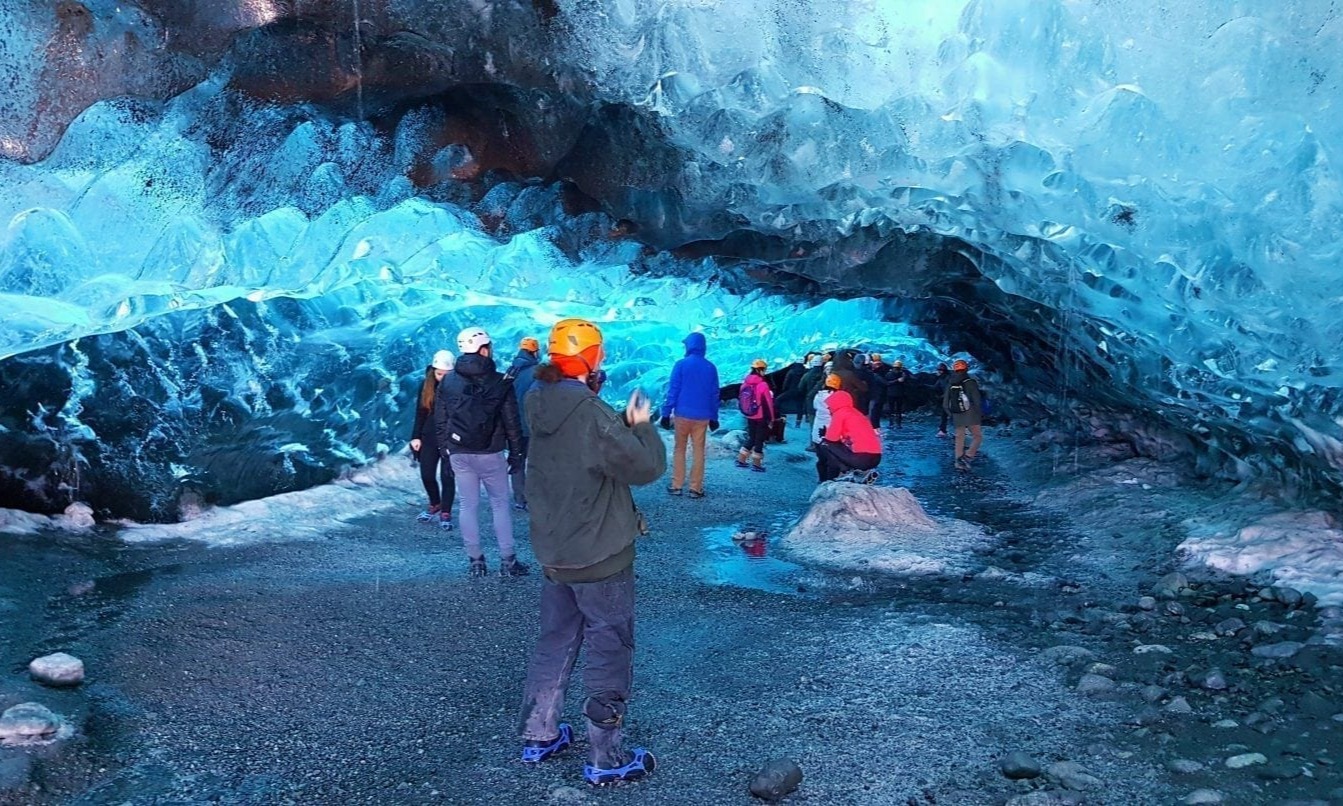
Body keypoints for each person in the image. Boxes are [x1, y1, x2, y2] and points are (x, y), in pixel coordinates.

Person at [517, 317, 666, 786]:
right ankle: (607, 756)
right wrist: (640, 425)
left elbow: (583, 444)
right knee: (609, 643)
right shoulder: (589, 414)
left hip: (554, 550)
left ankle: (538, 732)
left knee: (556, 638)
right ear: (591, 356)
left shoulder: (538, 401)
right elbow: (644, 467)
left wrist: (612, 421)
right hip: (600, 555)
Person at [435, 326, 529, 577]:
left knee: (467, 505)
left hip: (459, 451)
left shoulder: (448, 381)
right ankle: (508, 561)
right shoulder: (500, 381)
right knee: (499, 505)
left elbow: (441, 418)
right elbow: (511, 420)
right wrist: (517, 453)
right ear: (484, 349)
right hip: (491, 452)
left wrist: (445, 450)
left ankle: (475, 560)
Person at [658, 332, 720, 499]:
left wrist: (665, 413)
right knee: (699, 450)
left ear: (689, 346)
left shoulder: (681, 365)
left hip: (682, 415)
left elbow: (673, 391)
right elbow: (714, 395)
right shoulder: (710, 367)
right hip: (702, 417)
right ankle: (695, 488)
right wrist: (714, 417)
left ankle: (676, 485)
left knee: (680, 449)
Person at [410, 350, 457, 530]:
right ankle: (435, 503)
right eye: (439, 374)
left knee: (448, 476)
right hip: (429, 436)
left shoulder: (459, 386)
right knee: (427, 475)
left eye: (447, 375)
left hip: (450, 437)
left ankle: (446, 511)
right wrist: (415, 436)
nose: (442, 378)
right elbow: (420, 412)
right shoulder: (425, 385)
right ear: (433, 371)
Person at [816, 389, 882, 483]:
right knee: (833, 445)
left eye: (830, 405)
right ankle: (861, 473)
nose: (828, 408)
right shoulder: (856, 413)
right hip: (875, 458)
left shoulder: (840, 413)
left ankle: (843, 473)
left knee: (824, 444)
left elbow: (831, 439)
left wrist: (825, 435)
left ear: (836, 403)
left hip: (861, 458)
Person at [509, 336, 542, 512]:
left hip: (513, 425)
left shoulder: (511, 369)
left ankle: (519, 499)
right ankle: (536, 497)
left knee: (517, 460)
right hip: (532, 424)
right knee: (537, 461)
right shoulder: (537, 371)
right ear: (535, 351)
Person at [735, 359, 776, 472]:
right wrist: (772, 419)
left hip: (749, 415)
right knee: (759, 440)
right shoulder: (763, 385)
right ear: (761, 370)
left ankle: (741, 460)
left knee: (752, 438)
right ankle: (757, 464)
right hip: (760, 416)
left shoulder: (745, 383)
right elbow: (769, 403)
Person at [943, 359, 983, 470]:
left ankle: (958, 462)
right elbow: (977, 400)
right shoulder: (970, 382)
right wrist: (980, 413)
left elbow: (945, 403)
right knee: (977, 436)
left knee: (959, 438)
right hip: (971, 413)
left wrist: (950, 414)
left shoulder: (951, 383)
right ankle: (968, 455)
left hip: (956, 413)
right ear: (966, 369)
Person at [810, 372, 841, 448]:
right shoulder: (837, 397)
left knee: (819, 445)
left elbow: (815, 406)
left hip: (818, 425)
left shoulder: (819, 395)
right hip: (830, 428)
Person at [795, 354, 826, 426]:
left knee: (813, 426)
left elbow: (800, 387)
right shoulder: (825, 376)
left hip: (811, 401)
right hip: (824, 402)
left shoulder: (807, 375)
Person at [863, 353, 891, 428]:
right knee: (876, 412)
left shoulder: (875, 372)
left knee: (873, 412)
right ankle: (875, 427)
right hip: (881, 394)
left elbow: (883, 382)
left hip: (876, 394)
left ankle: (874, 428)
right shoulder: (886, 368)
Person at [886, 359, 913, 428]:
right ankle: (893, 423)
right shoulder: (890, 374)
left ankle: (896, 423)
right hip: (893, 393)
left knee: (897, 409)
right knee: (895, 409)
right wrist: (897, 380)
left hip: (897, 393)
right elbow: (887, 383)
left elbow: (906, 383)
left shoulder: (902, 374)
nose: (896, 369)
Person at [933, 362, 951, 437]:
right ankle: (942, 430)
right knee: (944, 415)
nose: (939, 371)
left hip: (952, 398)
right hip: (946, 399)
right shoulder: (941, 379)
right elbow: (935, 387)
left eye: (941, 370)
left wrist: (943, 396)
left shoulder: (949, 378)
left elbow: (949, 389)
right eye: (939, 370)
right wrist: (923, 386)